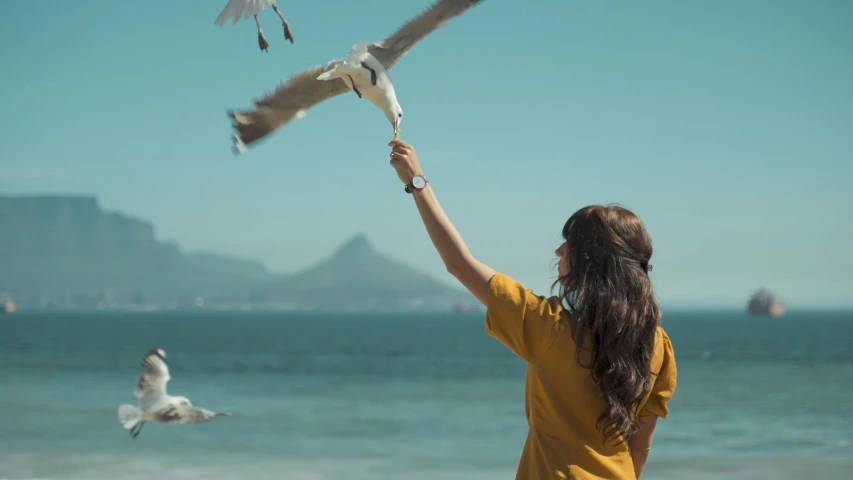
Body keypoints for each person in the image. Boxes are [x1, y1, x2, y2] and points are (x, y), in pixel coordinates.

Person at [387, 140, 677, 480]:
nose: (559, 251)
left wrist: (417, 181)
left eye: (569, 244)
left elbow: (459, 264)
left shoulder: (549, 328)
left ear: (591, 259)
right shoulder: (657, 344)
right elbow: (640, 447)